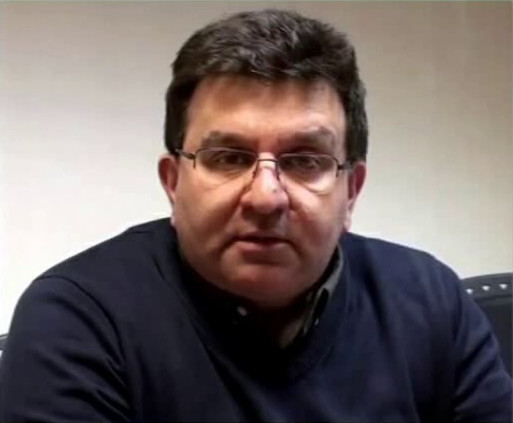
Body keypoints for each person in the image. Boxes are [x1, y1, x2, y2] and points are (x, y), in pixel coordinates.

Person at [0, 9, 511, 422]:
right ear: (173, 183)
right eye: (228, 158)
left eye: (305, 161)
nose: (266, 198)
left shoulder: (431, 300)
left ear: (351, 191)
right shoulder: (79, 319)